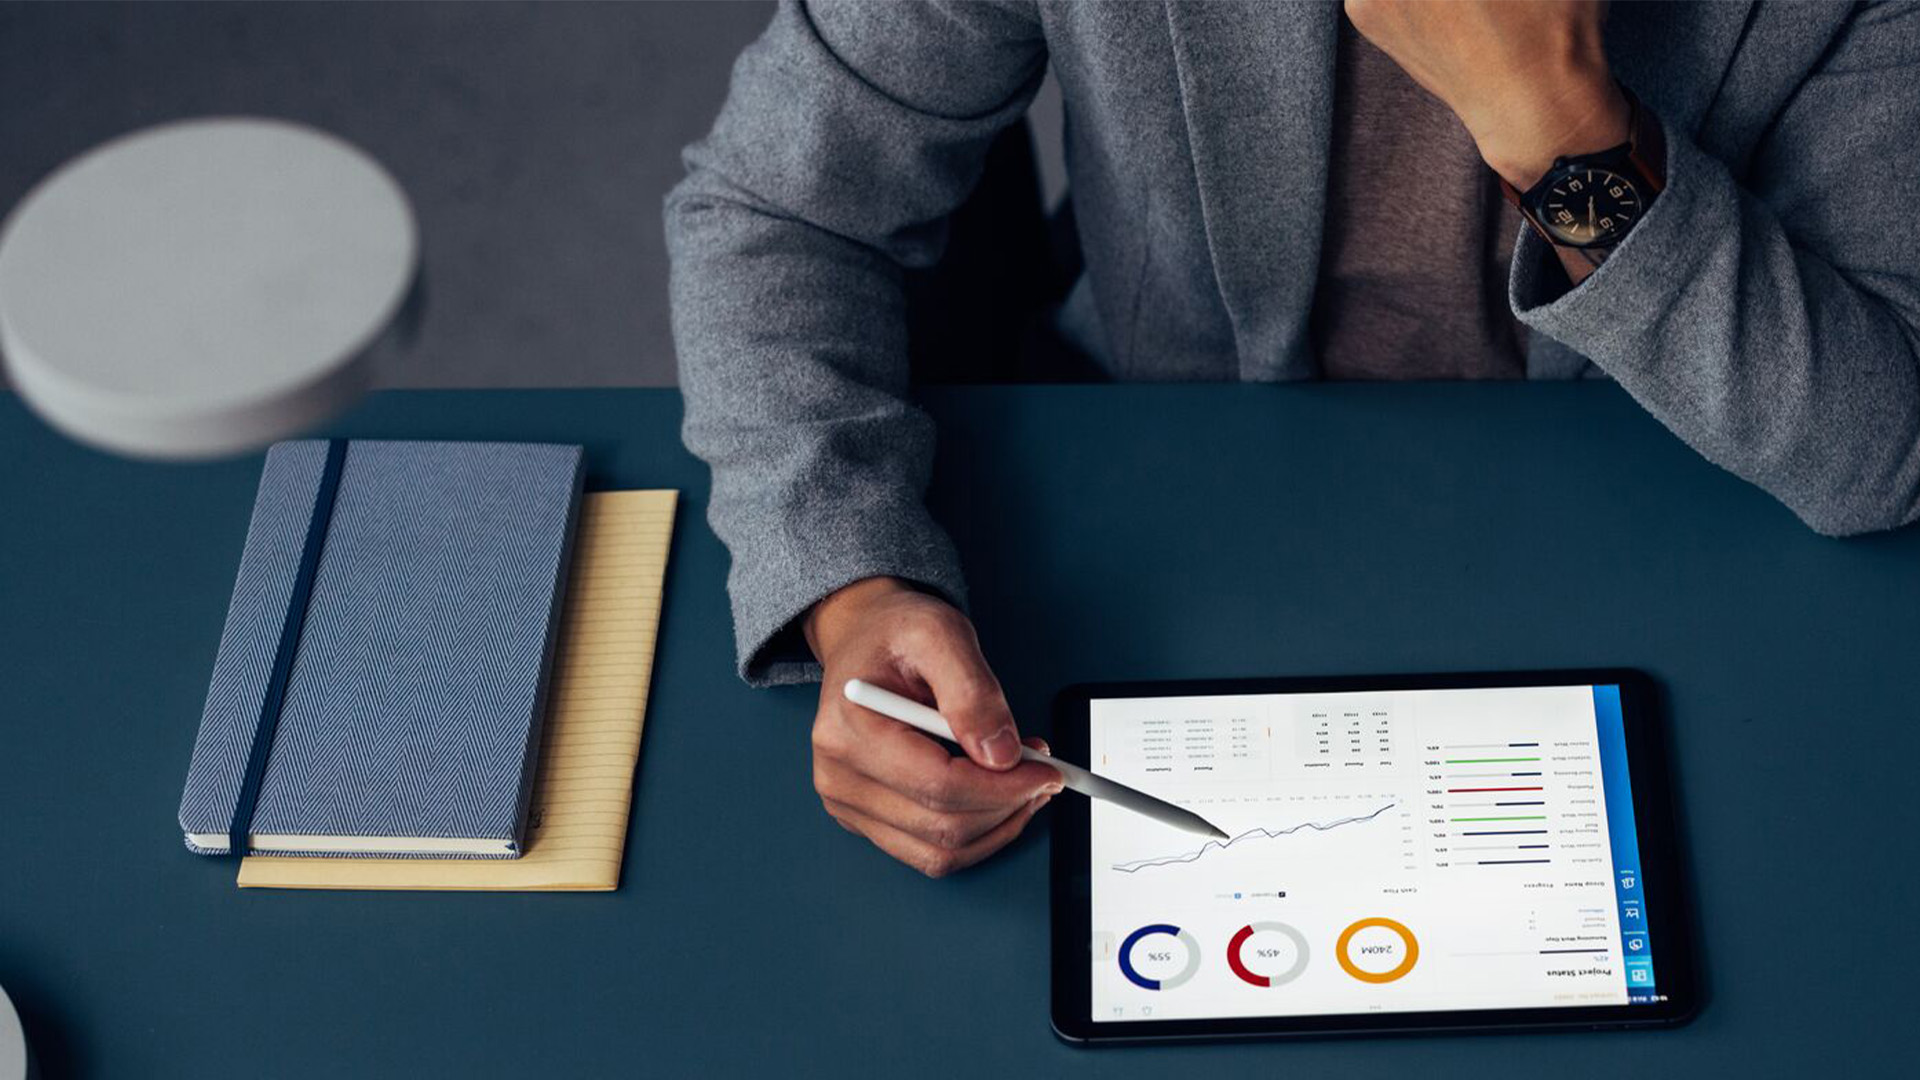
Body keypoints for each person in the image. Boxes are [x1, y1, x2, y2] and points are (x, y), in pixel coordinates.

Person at [665, 1, 1920, 876]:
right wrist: (851, 583)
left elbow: (1882, 442)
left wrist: (1563, 131)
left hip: (1671, 520)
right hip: (1177, 494)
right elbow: (776, 211)